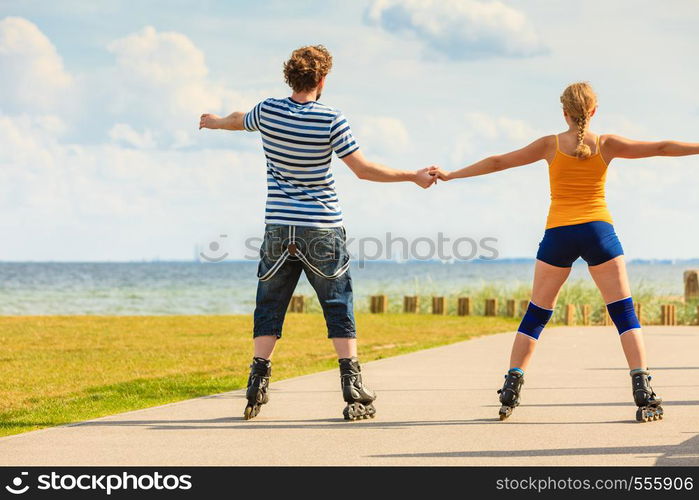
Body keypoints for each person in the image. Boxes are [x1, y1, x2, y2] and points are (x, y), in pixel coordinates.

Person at [430, 82, 699, 422]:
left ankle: (511, 387)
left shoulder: (549, 145)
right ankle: (642, 389)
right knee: (624, 313)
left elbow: (499, 162)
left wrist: (452, 175)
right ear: (593, 111)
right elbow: (661, 147)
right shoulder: (608, 143)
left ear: (564, 113)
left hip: (558, 233)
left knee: (536, 314)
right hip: (599, 231)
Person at [199, 45, 435, 421]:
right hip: (322, 227)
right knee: (338, 303)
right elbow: (363, 169)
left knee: (270, 305)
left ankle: (257, 383)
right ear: (322, 80)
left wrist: (213, 122)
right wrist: (412, 176)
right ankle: (353, 387)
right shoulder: (331, 119)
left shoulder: (268, 111)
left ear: (289, 77)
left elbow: (237, 118)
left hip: (278, 227)